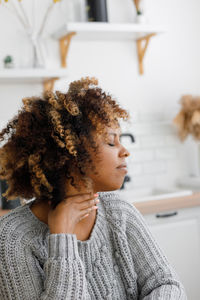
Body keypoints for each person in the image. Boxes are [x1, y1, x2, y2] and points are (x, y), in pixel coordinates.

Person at [0, 77, 187, 299]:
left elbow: (167, 284)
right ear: (72, 155)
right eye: (111, 141)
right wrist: (62, 237)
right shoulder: (14, 238)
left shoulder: (120, 212)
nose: (125, 151)